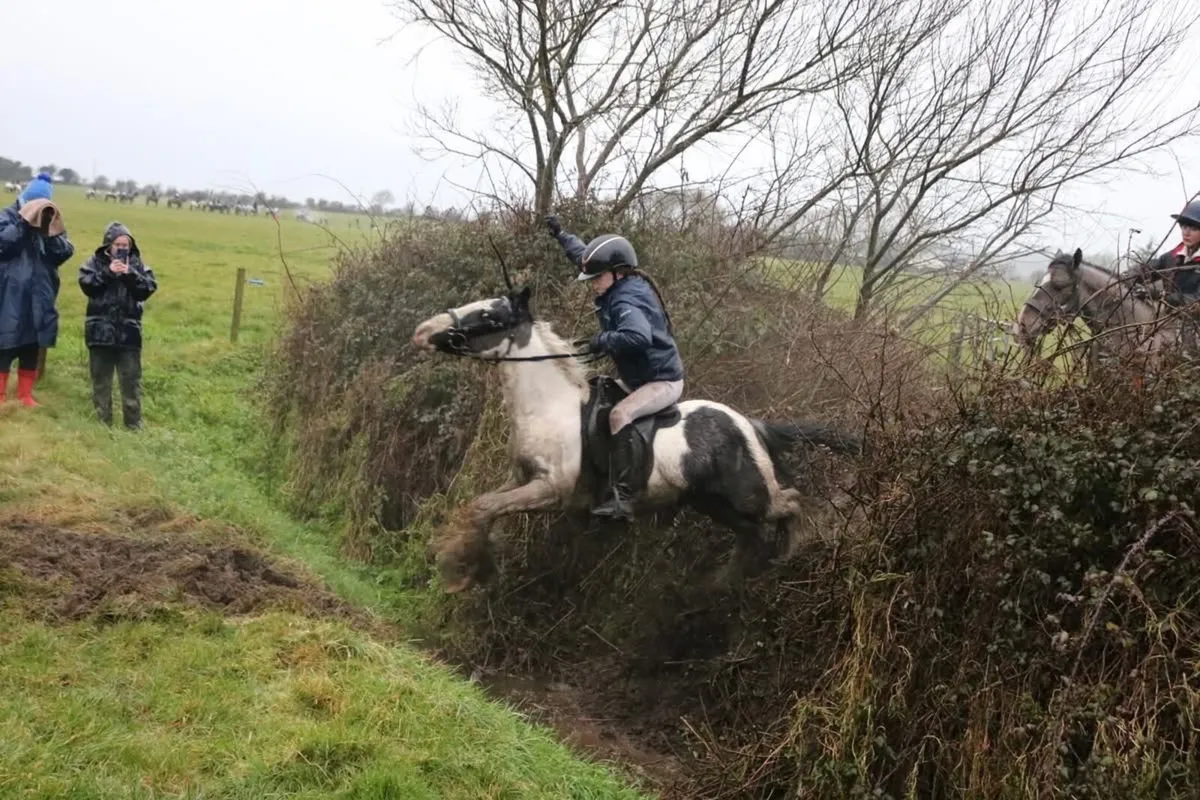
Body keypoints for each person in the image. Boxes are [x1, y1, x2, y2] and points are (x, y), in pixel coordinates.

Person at [546, 214, 684, 519]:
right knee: (592, 394)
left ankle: (625, 498)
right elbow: (584, 257)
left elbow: (637, 337)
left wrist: (602, 341)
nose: (593, 285)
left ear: (618, 273)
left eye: (597, 279)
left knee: (620, 415)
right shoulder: (614, 282)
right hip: (637, 379)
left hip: (661, 382)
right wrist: (561, 235)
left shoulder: (625, 301)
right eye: (593, 279)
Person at [0, 172, 73, 407]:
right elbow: (3, 244)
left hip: (39, 294)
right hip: (8, 293)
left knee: (32, 344)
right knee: (5, 342)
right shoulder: (7, 216)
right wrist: (23, 222)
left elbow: (64, 252)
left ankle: (25, 395)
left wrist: (49, 232)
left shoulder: (48, 223)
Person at [78, 221, 157, 430]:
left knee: (131, 382)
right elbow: (87, 286)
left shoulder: (138, 265)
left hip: (129, 334)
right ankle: (102, 424)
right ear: (108, 246)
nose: (122, 248)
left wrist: (129, 274)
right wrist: (108, 273)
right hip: (100, 332)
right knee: (101, 381)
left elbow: (148, 288)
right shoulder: (93, 263)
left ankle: (133, 425)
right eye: (118, 244)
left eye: (126, 245)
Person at [1138, 199, 1200, 306]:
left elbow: (1196, 299)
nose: (1186, 233)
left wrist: (1162, 296)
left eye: (1193, 228)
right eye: (1184, 227)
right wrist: (1128, 278)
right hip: (1164, 318)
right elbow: (1144, 271)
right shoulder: (1170, 257)